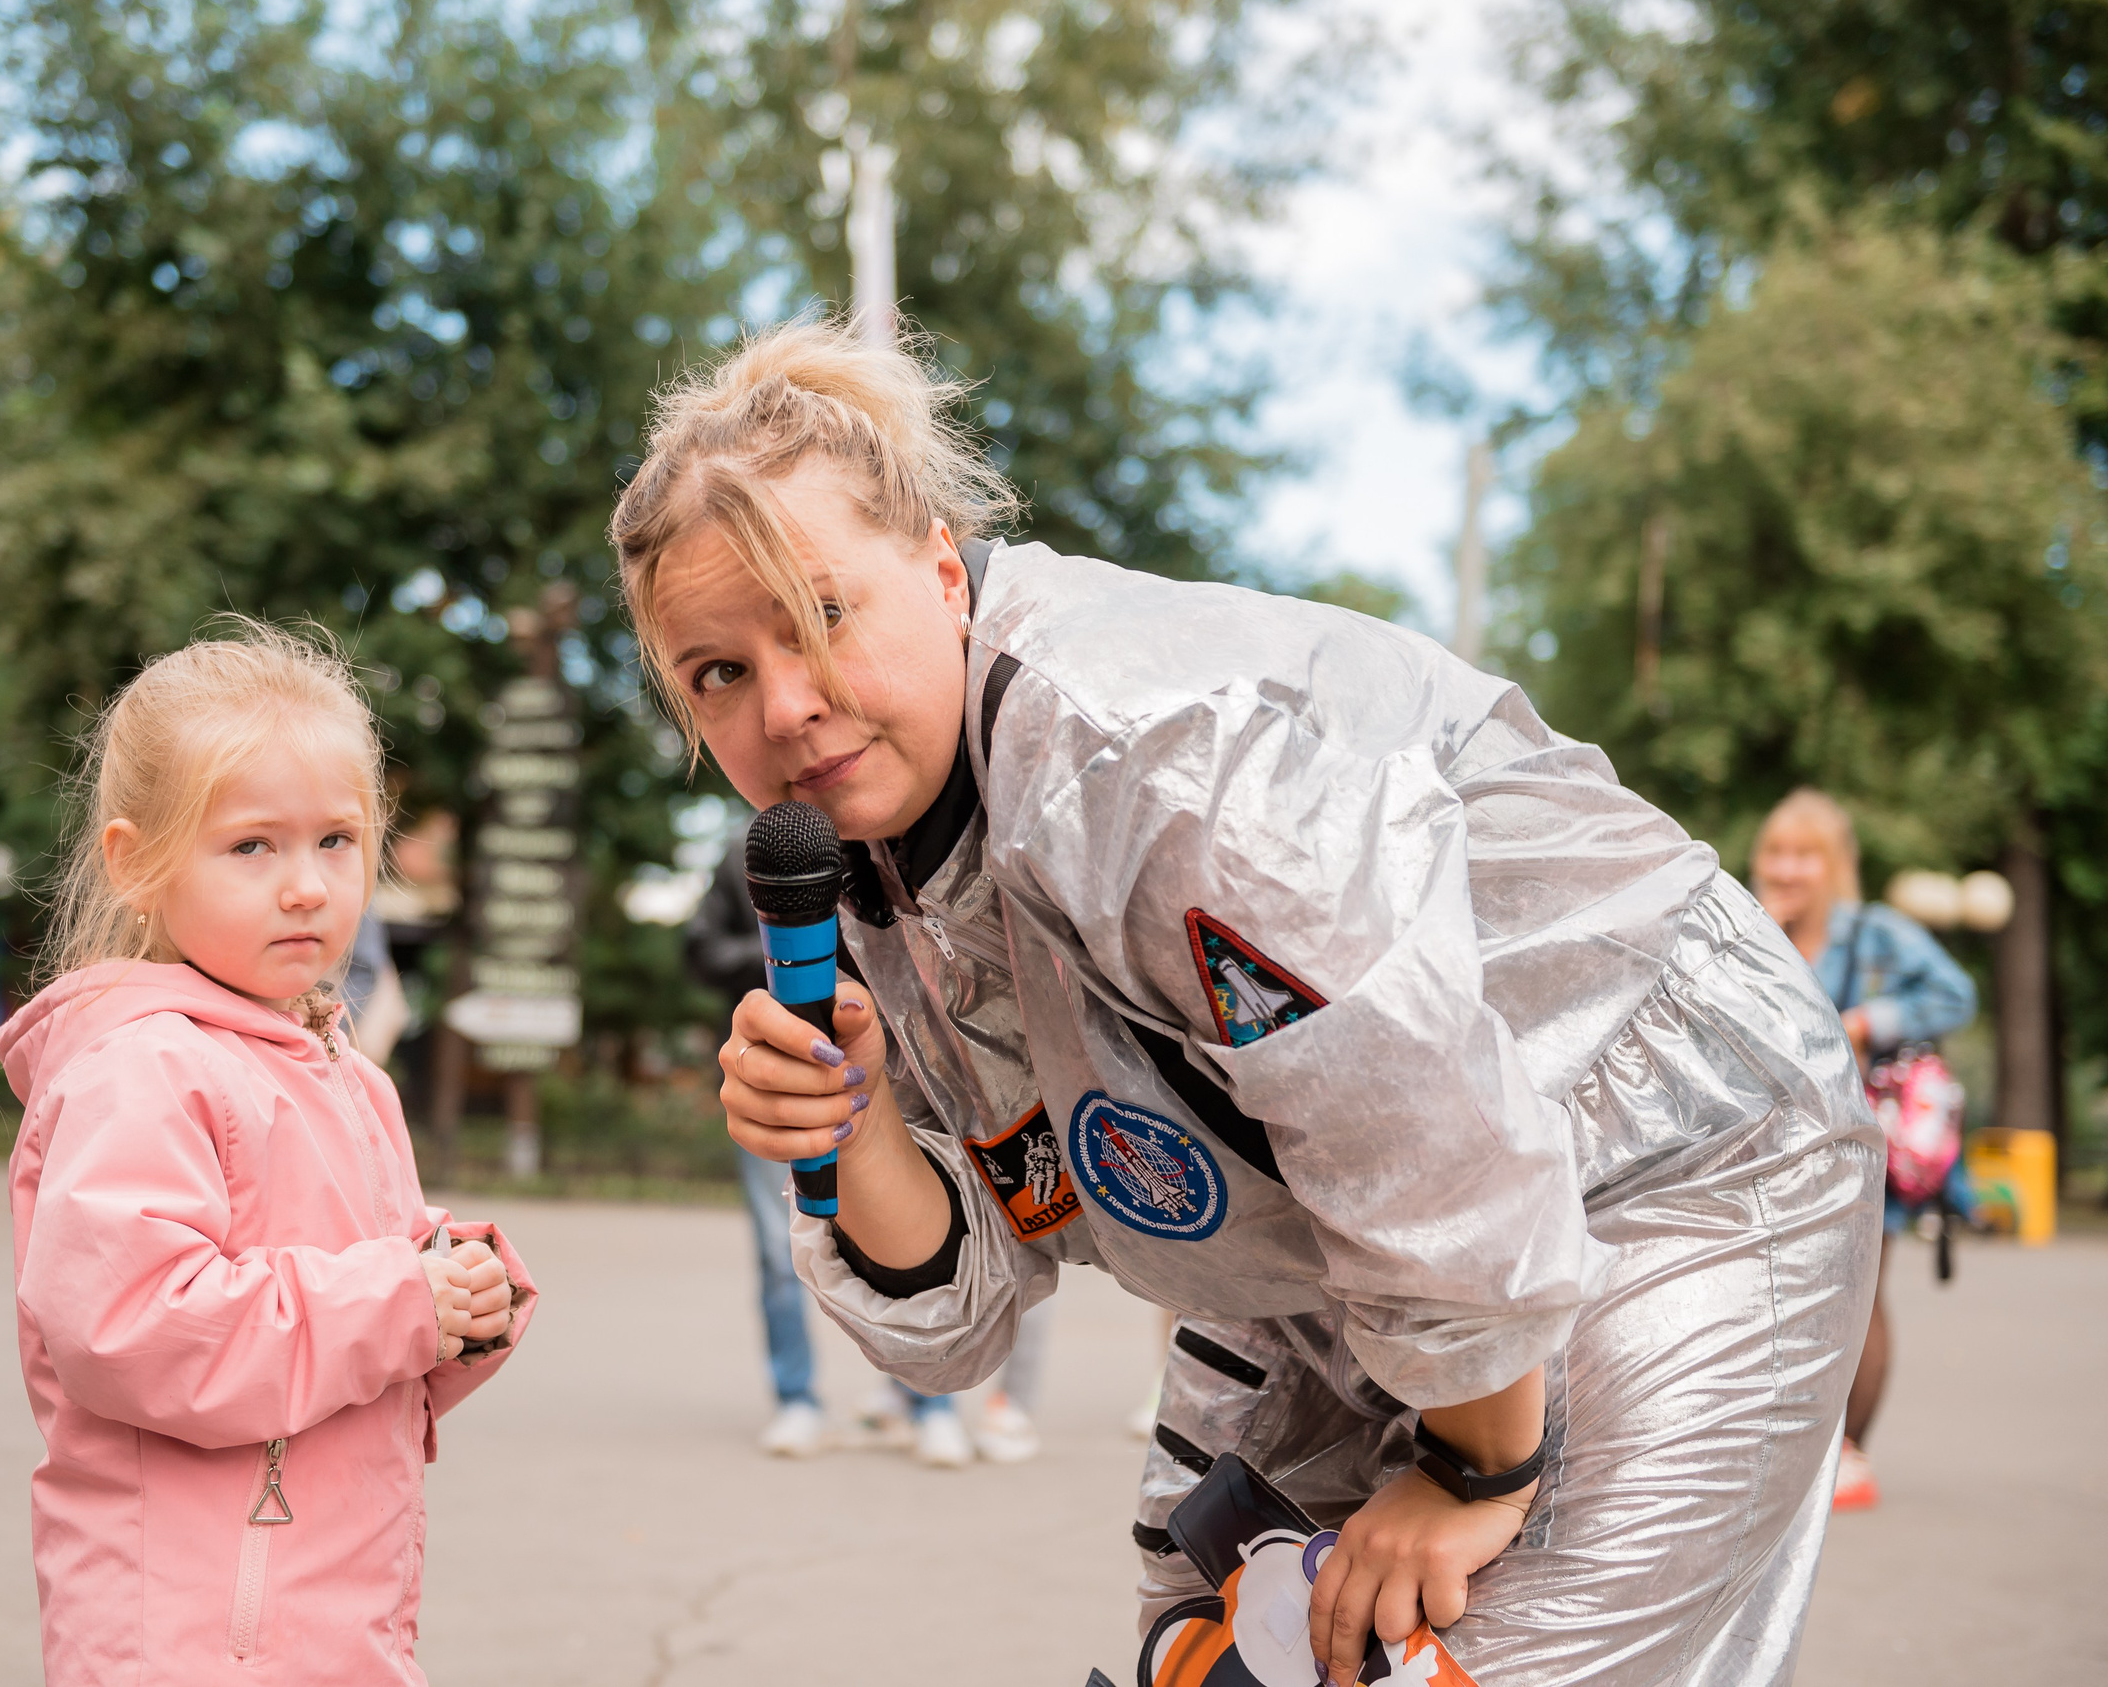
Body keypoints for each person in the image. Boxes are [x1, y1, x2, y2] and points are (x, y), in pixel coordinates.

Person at [611, 316, 1880, 1687]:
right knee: (1200, 1652)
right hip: (1324, 1254)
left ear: (940, 567)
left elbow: (1409, 1107)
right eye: (718, 673)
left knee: (1472, 1669)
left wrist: (1471, 1468)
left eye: (820, 614)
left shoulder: (1152, 759)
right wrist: (851, 1124)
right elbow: (964, 1306)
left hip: (1654, 1147)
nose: (785, 706)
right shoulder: (860, 870)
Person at [0, 621, 537, 1685]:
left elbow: (354, 1334)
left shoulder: (351, 1076)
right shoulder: (142, 1066)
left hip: (340, 1622)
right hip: (195, 1638)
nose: (306, 885)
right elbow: (132, 1326)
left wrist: (457, 1291)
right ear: (134, 860)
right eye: (253, 845)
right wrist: (403, 1298)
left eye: (336, 839)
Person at [1750, 787, 1976, 1514]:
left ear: (1836, 864)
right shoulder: (1745, 928)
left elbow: (1956, 994)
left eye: (1805, 854)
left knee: (1859, 1294)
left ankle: (1850, 1450)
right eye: (1776, 851)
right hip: (1774, 1147)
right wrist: (1760, 937)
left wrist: (1869, 1020)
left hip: (1864, 1143)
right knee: (1780, 1297)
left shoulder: (1877, 934)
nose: (1787, 867)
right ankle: (1787, 1452)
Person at [685, 835, 833, 1457]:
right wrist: (786, 956)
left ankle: (924, 1400)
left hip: (877, 1072)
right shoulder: (743, 853)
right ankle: (796, 1399)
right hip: (770, 1079)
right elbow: (700, 948)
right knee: (779, 1250)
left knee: (903, 1228)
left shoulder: (871, 837)